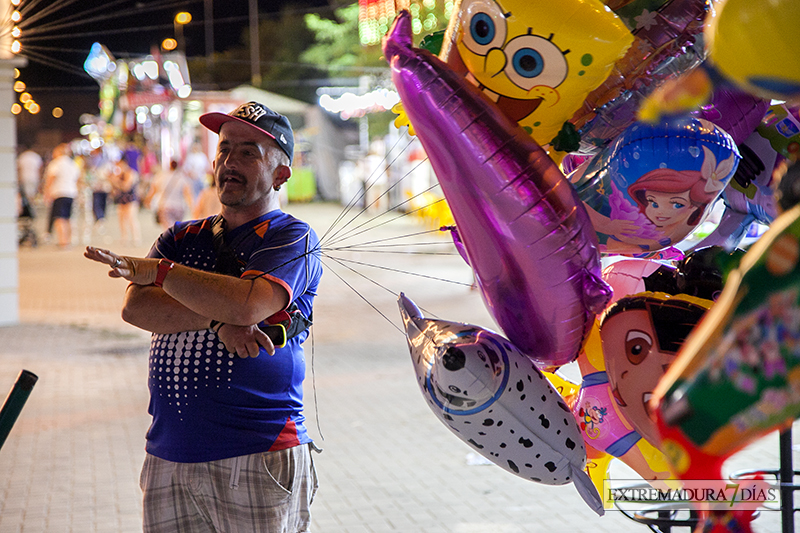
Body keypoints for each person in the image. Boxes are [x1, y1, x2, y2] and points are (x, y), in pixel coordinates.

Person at [84, 101, 323, 532]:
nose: (230, 162)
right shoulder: (181, 236)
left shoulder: (292, 237)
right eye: (225, 149)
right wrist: (217, 320)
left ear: (281, 173)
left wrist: (161, 273)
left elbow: (249, 302)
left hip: (256, 452)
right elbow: (137, 307)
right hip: (168, 453)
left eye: (249, 152)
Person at [43, 143, 81, 248]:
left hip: (59, 192)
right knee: (68, 218)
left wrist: (46, 193)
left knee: (59, 218)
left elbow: (50, 179)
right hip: (71, 193)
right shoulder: (73, 163)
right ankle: (68, 240)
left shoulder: (56, 163)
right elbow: (78, 178)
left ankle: (62, 241)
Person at [145, 159, 194, 229]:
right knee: (176, 229)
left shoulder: (161, 176)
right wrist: (191, 207)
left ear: (169, 166)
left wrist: (148, 200)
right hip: (179, 208)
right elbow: (188, 194)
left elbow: (153, 190)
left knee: (168, 231)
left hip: (165, 207)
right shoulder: (182, 178)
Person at [110, 157, 141, 246]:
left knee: (132, 219)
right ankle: (124, 237)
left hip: (131, 200)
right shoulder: (118, 174)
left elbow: (126, 186)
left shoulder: (131, 173)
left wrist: (115, 181)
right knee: (121, 220)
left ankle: (136, 238)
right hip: (121, 200)